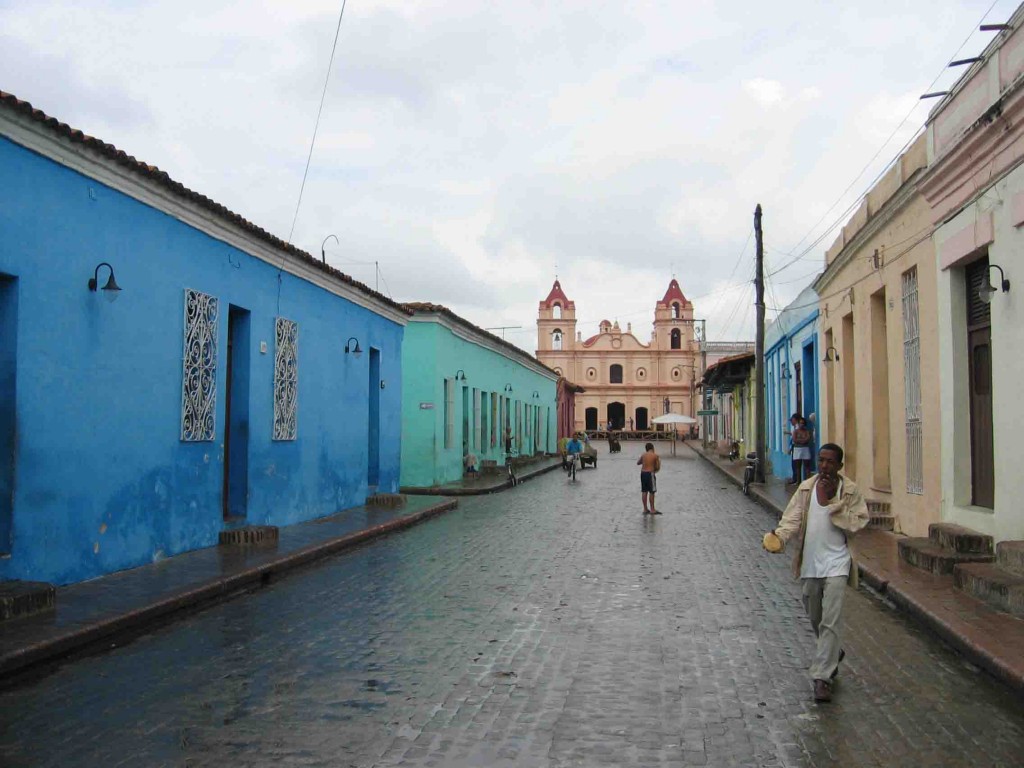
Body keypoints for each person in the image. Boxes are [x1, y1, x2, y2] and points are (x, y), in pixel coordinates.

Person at [763, 443, 869, 703]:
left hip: (837, 563)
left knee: (830, 620)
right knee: (814, 614)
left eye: (830, 462)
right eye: (821, 460)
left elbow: (857, 524)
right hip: (810, 563)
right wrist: (780, 537)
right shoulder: (806, 488)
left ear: (839, 466)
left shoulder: (850, 491)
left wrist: (835, 502)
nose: (824, 466)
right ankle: (833, 651)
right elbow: (792, 519)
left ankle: (822, 677)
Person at [636, 442, 661, 514]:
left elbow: (638, 463)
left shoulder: (643, 455)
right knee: (652, 492)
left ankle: (645, 509)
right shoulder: (655, 456)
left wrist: (644, 461)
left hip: (643, 473)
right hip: (650, 474)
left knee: (644, 491)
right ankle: (652, 509)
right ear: (652, 448)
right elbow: (657, 466)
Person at [791, 417, 813, 483]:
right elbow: (795, 440)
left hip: (805, 449)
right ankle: (798, 481)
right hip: (797, 449)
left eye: (803, 423)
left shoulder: (806, 431)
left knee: (807, 465)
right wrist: (803, 440)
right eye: (800, 423)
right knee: (798, 466)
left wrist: (800, 441)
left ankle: (808, 481)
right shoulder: (795, 431)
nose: (802, 424)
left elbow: (808, 439)